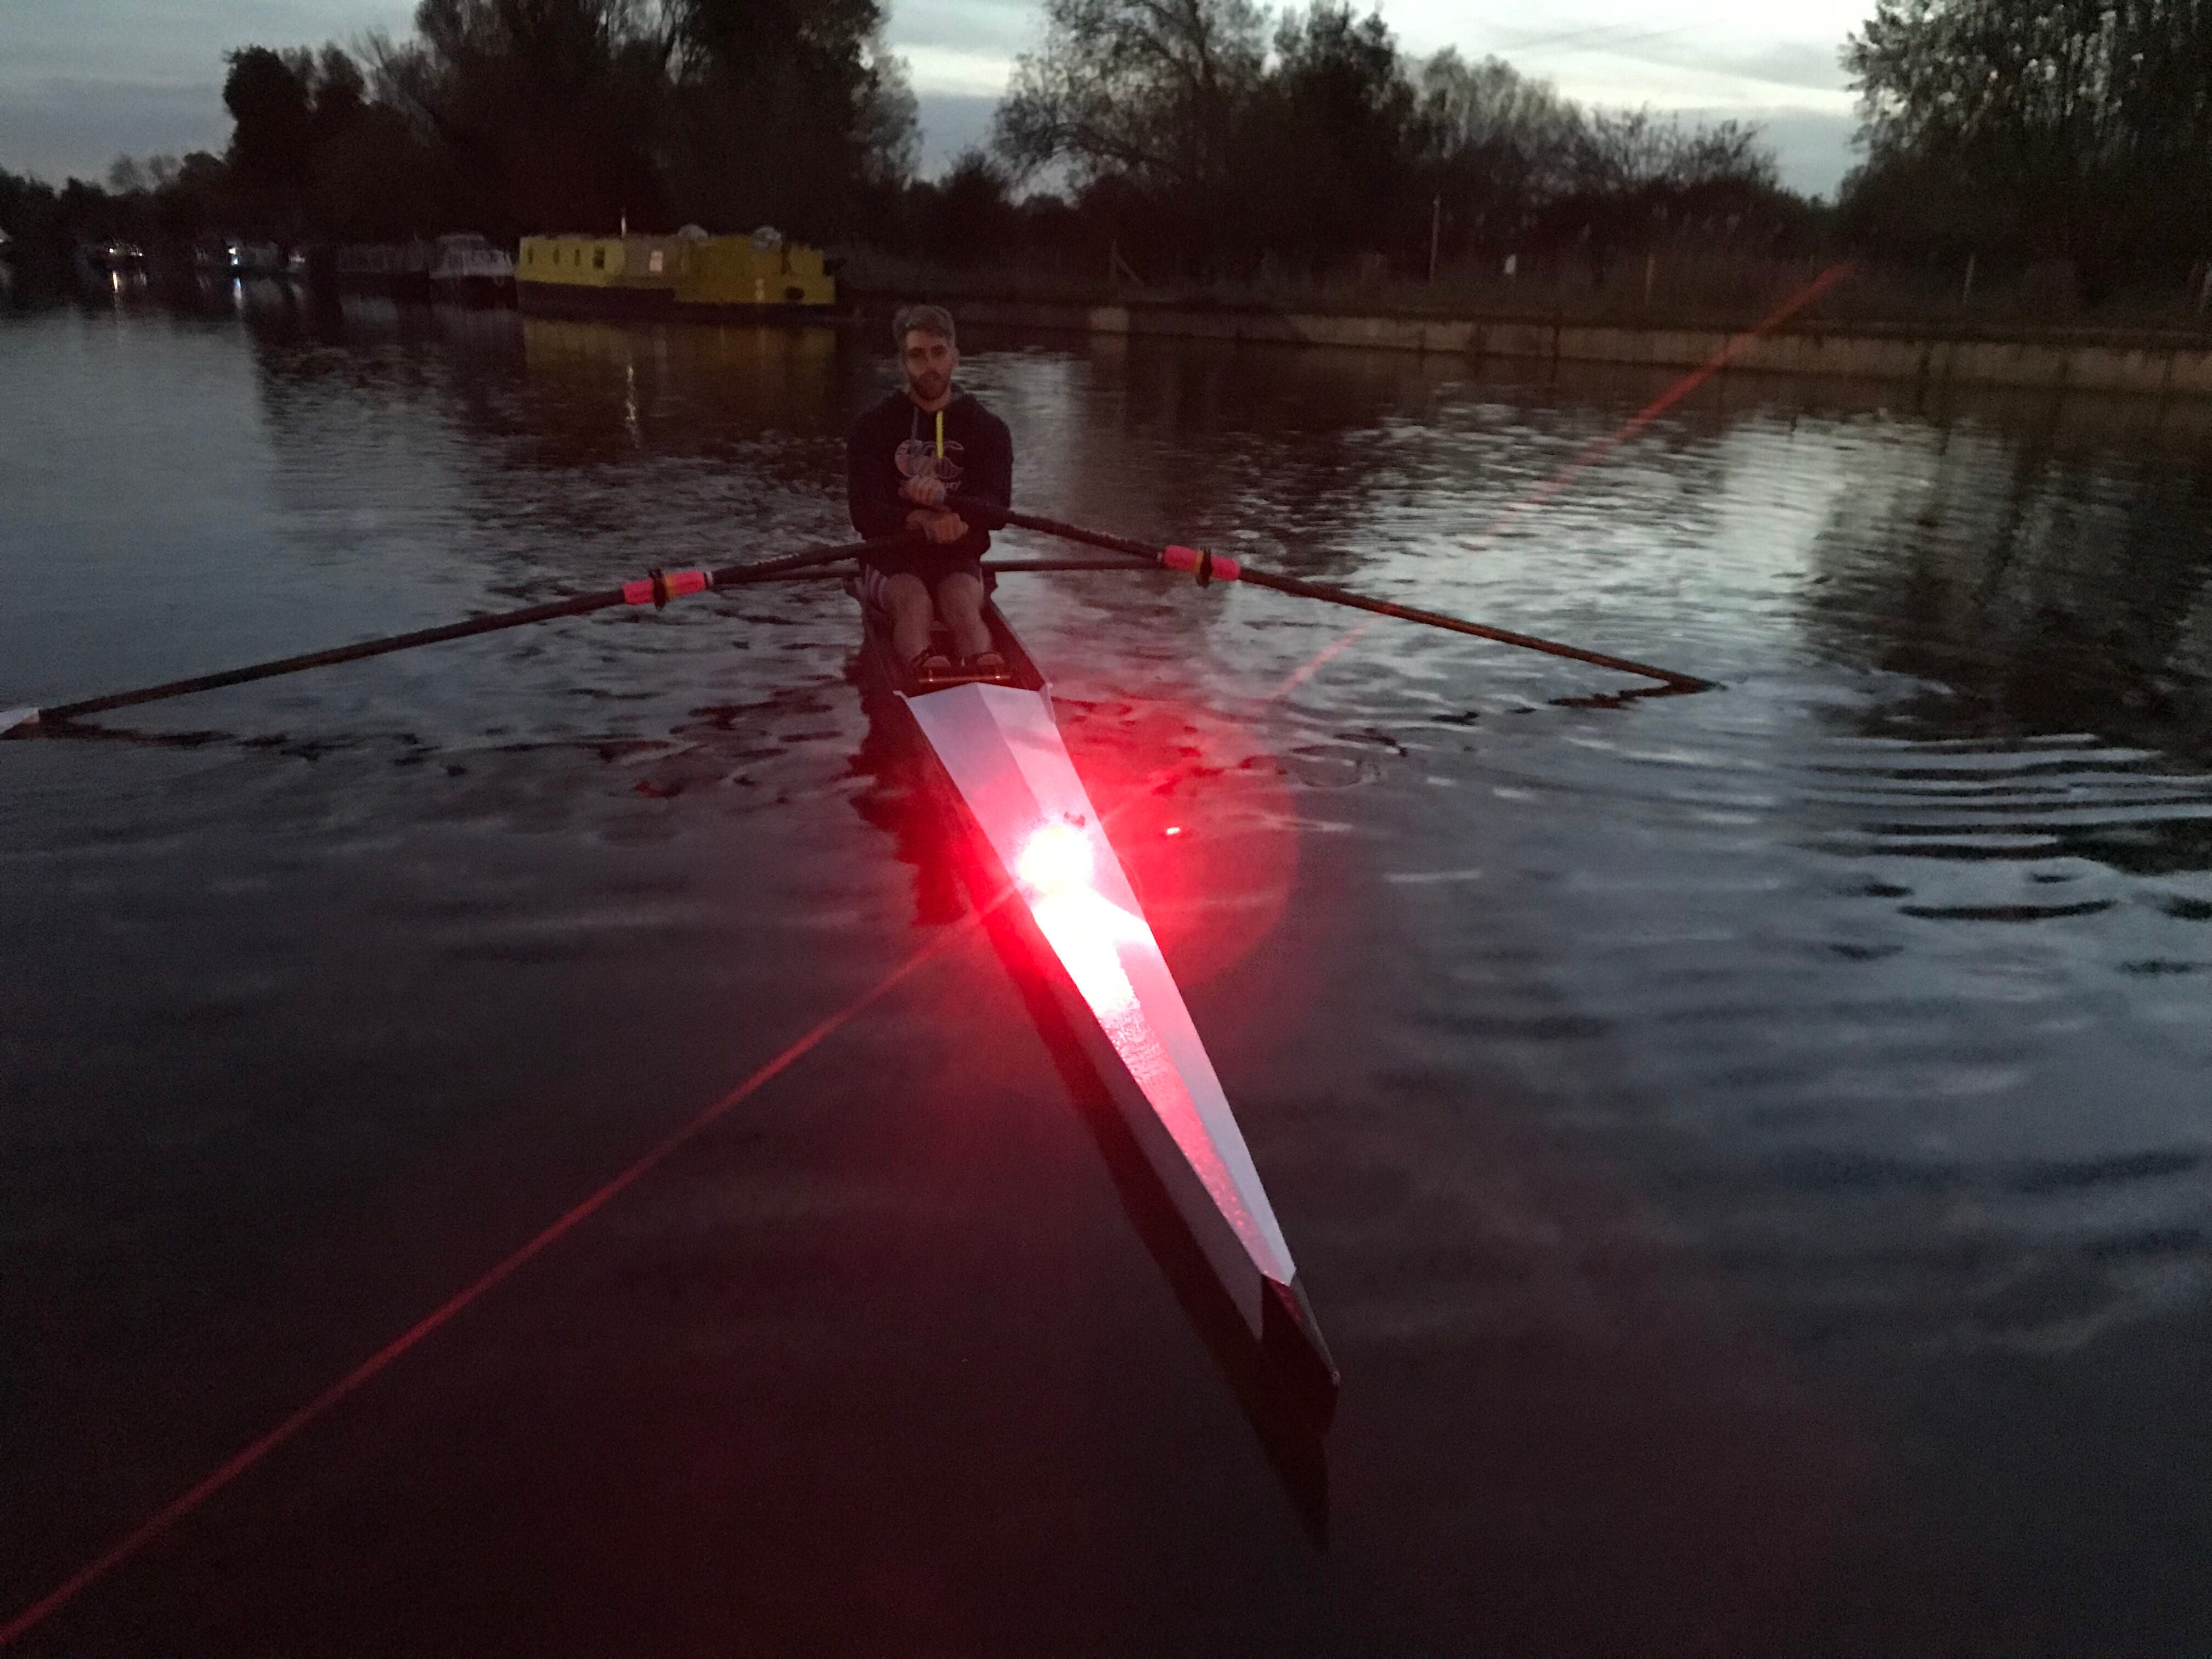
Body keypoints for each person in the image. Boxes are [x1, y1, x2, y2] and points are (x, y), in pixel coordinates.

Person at [847, 304, 1014, 679]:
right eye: (917, 356)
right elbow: (864, 514)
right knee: (915, 600)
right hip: (891, 557)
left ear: (955, 356)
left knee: (960, 603)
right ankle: (924, 671)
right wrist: (916, 518)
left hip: (957, 554)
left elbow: (998, 510)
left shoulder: (989, 429)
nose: (930, 366)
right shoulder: (871, 428)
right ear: (903, 362)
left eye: (938, 353)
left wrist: (961, 520)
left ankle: (983, 669)